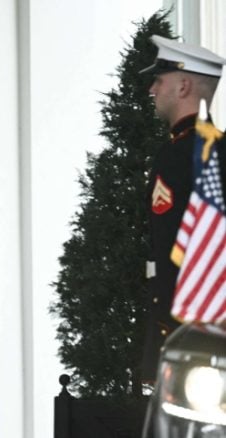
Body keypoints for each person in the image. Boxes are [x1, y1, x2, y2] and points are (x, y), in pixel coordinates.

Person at [140, 36, 226, 382]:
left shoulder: (184, 155)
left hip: (192, 334)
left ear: (183, 86)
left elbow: (176, 250)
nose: (152, 90)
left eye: (159, 80)